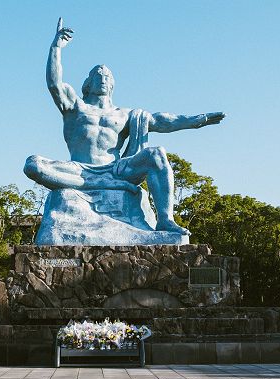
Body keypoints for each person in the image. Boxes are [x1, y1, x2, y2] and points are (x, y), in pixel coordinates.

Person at [24, 18, 225, 236]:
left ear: (112, 84)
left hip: (116, 170)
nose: (103, 78)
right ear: (88, 84)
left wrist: (197, 120)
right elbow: (54, 84)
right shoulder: (76, 107)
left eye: (107, 76)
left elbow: (164, 121)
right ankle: (95, 182)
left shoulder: (126, 114)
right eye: (97, 75)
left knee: (157, 154)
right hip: (78, 169)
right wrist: (56, 47)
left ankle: (166, 220)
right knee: (33, 165)